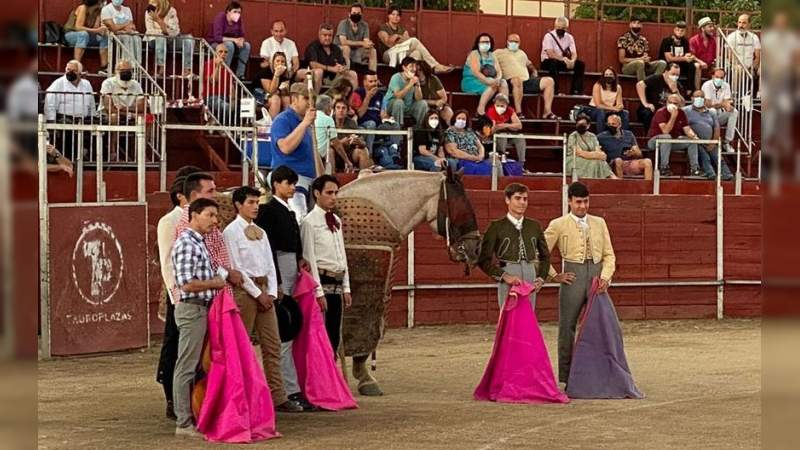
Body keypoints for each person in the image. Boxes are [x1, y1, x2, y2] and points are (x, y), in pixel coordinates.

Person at [223, 186, 304, 413]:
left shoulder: (261, 231)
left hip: (264, 293)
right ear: (238, 205)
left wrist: (270, 290)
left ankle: (278, 396)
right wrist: (259, 294)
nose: (255, 206)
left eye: (257, 202)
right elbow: (236, 268)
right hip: (245, 292)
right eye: (250, 202)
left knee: (272, 345)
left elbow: (270, 263)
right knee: (242, 347)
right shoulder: (230, 232)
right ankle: (242, 397)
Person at [255, 165, 316, 412]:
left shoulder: (287, 211)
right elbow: (268, 249)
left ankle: (288, 387)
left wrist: (300, 256)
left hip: (289, 267)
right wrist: (277, 282)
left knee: (288, 330)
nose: (293, 187)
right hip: (279, 269)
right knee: (284, 331)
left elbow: (291, 245)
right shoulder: (268, 211)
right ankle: (287, 389)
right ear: (276, 184)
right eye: (289, 183)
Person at [544, 181, 616, 387]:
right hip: (572, 277)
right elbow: (540, 254)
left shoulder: (599, 222)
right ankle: (566, 378)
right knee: (567, 328)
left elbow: (609, 254)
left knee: (600, 327)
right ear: (569, 201)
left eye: (585, 202)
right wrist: (554, 276)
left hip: (596, 276)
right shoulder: (558, 224)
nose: (582, 206)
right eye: (578, 202)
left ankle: (598, 374)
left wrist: (605, 277)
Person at [171, 197, 227, 438]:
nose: (215, 221)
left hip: (201, 308)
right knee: (187, 366)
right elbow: (186, 284)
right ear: (194, 215)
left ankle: (190, 417)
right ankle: (183, 423)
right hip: (193, 308)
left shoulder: (199, 242)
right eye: (210, 215)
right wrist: (215, 282)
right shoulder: (187, 243)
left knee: (192, 365)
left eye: (215, 216)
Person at [155, 165, 202, 421]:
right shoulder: (170, 221)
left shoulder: (201, 217)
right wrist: (177, 296)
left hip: (195, 292)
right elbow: (167, 262)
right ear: (182, 196)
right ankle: (172, 397)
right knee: (174, 344)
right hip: (181, 293)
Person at [301, 175, 353, 358]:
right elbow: (310, 258)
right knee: (323, 337)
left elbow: (342, 255)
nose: (333, 197)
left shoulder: (336, 220)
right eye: (329, 193)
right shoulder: (309, 222)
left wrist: (346, 287)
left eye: (336, 193)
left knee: (334, 335)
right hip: (322, 283)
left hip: (337, 283)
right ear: (317, 193)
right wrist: (318, 292)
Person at [477, 182, 550, 307]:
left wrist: (541, 277)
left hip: (529, 274)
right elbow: (483, 260)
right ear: (507, 200)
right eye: (517, 198)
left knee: (527, 318)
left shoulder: (534, 226)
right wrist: (504, 275)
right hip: (508, 273)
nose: (522, 202)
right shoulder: (496, 226)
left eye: (525, 199)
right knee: (508, 317)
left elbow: (545, 256)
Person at [270, 82, 320, 222]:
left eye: (312, 100)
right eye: (306, 98)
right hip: (292, 180)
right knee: (300, 218)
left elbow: (314, 154)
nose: (310, 103)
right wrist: (305, 123)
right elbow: (285, 147)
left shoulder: (306, 124)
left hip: (309, 180)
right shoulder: (282, 120)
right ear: (294, 98)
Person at [493, 33, 557, 119]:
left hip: (526, 81)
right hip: (510, 82)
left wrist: (534, 70)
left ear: (519, 43)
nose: (513, 43)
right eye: (511, 41)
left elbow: (529, 64)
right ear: (507, 42)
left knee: (549, 81)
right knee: (517, 80)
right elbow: (489, 61)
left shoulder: (522, 53)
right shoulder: (499, 52)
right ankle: (519, 112)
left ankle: (547, 112)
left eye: (516, 41)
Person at [377, 5, 452, 73]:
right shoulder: (383, 27)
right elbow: (389, 43)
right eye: (393, 14)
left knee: (417, 53)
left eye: (398, 15)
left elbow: (406, 42)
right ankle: (435, 66)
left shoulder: (402, 29)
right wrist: (397, 37)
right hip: (388, 56)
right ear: (388, 16)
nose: (395, 17)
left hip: (401, 53)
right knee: (414, 40)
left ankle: (409, 78)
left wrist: (398, 39)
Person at [646, 94, 702, 177]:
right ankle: (664, 168)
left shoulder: (681, 113)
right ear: (666, 103)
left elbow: (687, 129)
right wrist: (673, 117)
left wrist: (694, 136)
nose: (672, 105)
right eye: (670, 102)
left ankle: (694, 169)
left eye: (675, 103)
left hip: (670, 141)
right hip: (654, 141)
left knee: (692, 141)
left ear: (679, 105)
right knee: (667, 137)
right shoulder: (661, 112)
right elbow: (665, 131)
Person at [683, 90, 734, 180]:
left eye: (702, 97)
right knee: (704, 156)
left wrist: (713, 142)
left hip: (711, 141)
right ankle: (711, 174)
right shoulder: (685, 111)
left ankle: (727, 175)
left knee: (718, 156)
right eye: (697, 96)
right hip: (696, 141)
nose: (699, 99)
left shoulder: (712, 112)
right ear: (692, 98)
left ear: (705, 99)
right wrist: (695, 138)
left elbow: (716, 128)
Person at [462, 33, 509, 116]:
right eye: (482, 42)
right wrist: (488, 81)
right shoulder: (474, 53)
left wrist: (498, 79)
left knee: (503, 82)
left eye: (487, 42)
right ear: (478, 43)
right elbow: (476, 72)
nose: (485, 44)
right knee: (493, 85)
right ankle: (480, 110)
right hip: (472, 80)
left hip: (491, 80)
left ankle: (502, 108)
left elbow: (499, 71)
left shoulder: (492, 55)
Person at [304, 24, 358, 93]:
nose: (327, 38)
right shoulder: (313, 47)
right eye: (325, 35)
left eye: (330, 35)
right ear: (319, 35)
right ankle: (315, 100)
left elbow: (341, 63)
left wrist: (342, 68)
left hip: (334, 78)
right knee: (318, 72)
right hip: (318, 77)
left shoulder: (336, 49)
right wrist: (332, 69)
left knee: (353, 74)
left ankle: (353, 100)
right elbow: (313, 64)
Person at [596, 114, 653, 180]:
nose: (610, 126)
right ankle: (620, 186)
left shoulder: (629, 134)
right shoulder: (601, 136)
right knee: (618, 160)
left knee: (647, 161)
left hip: (629, 163)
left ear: (619, 125)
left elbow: (639, 154)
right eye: (609, 124)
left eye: (613, 124)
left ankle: (647, 188)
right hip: (613, 164)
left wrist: (633, 153)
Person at [350, 70, 393, 152]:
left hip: (377, 125)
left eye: (375, 81)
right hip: (362, 124)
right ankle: (369, 153)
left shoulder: (380, 95)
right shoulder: (357, 93)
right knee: (371, 124)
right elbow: (359, 114)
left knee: (395, 125)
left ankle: (394, 154)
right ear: (364, 82)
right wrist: (368, 97)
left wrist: (388, 118)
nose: (374, 83)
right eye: (371, 81)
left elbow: (383, 114)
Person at [540, 16, 585, 95]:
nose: (561, 29)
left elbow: (574, 53)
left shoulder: (569, 37)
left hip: (562, 61)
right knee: (553, 63)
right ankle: (555, 91)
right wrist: (564, 59)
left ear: (566, 28)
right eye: (559, 27)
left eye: (563, 28)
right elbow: (550, 54)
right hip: (548, 61)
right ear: (555, 26)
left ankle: (576, 91)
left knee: (580, 64)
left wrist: (572, 61)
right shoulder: (548, 36)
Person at [206, 1, 250, 79]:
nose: (237, 14)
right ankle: (225, 71)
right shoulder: (220, 17)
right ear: (228, 12)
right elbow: (217, 37)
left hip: (232, 44)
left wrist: (241, 41)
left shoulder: (239, 20)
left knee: (246, 46)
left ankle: (240, 74)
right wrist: (234, 40)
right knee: (229, 45)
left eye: (239, 12)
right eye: (235, 12)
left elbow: (242, 35)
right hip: (215, 43)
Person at [635, 62, 684, 131]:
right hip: (652, 109)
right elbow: (640, 85)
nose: (675, 77)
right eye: (673, 74)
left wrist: (675, 91)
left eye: (677, 75)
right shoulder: (656, 78)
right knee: (648, 113)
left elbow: (682, 104)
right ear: (666, 72)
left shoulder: (678, 85)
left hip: (667, 111)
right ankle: (650, 137)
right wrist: (645, 103)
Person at [566, 114, 616, 179]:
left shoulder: (592, 136)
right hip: (574, 159)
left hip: (590, 159)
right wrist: (596, 155)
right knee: (596, 162)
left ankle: (611, 179)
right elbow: (579, 153)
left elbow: (598, 151)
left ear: (588, 126)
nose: (580, 126)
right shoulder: (573, 136)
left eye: (583, 124)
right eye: (578, 124)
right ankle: (612, 178)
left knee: (599, 162)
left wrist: (597, 155)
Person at [62, 0, 108, 71]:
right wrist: (96, 31)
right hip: (71, 34)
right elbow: (78, 27)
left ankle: (104, 67)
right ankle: (76, 65)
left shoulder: (98, 11)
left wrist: (101, 28)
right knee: (83, 34)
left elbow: (96, 28)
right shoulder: (83, 8)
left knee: (104, 37)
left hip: (87, 35)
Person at [383, 56, 429, 127]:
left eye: (415, 67)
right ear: (404, 68)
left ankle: (417, 130)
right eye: (411, 66)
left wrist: (417, 86)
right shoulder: (396, 77)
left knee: (423, 104)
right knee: (399, 102)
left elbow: (419, 99)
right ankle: (397, 129)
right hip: (392, 105)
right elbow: (398, 96)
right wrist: (410, 84)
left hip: (408, 106)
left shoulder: (414, 78)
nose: (414, 69)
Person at [701, 67, 739, 151]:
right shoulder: (707, 85)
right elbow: (708, 105)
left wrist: (728, 106)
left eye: (721, 78)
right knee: (712, 110)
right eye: (717, 77)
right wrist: (723, 104)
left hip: (718, 117)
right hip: (706, 117)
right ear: (712, 76)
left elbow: (727, 103)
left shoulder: (726, 85)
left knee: (734, 112)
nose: (719, 79)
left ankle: (727, 142)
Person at [659, 21, 703, 91]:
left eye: (682, 31)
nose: (679, 32)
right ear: (674, 30)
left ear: (685, 32)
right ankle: (672, 89)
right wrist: (684, 58)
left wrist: (689, 57)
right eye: (678, 30)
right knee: (674, 66)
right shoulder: (667, 41)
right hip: (668, 64)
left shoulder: (685, 41)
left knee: (692, 65)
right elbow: (669, 58)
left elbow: (686, 54)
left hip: (681, 64)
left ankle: (690, 89)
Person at [486, 94, 527, 167]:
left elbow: (519, 126)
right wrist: (509, 126)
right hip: (496, 136)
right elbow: (492, 129)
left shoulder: (510, 110)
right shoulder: (491, 111)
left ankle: (521, 164)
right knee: (502, 136)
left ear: (506, 105)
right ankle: (502, 161)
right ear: (494, 104)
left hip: (509, 134)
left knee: (520, 137)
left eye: (502, 106)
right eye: (497, 105)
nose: (499, 107)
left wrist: (506, 125)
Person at [335, 3, 377, 72]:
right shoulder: (343, 23)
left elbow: (365, 41)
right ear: (349, 14)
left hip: (356, 51)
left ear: (361, 14)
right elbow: (343, 41)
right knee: (346, 47)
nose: (356, 15)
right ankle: (347, 73)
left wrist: (369, 44)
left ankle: (372, 75)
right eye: (354, 13)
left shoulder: (364, 25)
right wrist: (362, 43)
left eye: (358, 13)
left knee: (372, 51)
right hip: (341, 50)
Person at [100, 0, 142, 65]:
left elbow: (132, 27)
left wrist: (121, 27)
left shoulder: (127, 9)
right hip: (112, 35)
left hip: (125, 32)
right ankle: (126, 64)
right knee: (127, 38)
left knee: (137, 37)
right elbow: (113, 28)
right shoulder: (106, 9)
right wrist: (125, 25)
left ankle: (137, 65)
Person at [588, 67, 629, 133]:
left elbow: (620, 103)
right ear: (603, 76)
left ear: (614, 76)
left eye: (610, 74)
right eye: (606, 75)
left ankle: (624, 136)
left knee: (625, 113)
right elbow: (598, 105)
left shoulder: (618, 87)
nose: (608, 76)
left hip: (610, 110)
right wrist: (614, 109)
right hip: (595, 110)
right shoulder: (597, 85)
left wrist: (619, 107)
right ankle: (601, 137)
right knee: (601, 112)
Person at [203, 44, 237, 123]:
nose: (223, 54)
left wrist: (233, 100)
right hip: (211, 97)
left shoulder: (227, 68)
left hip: (225, 97)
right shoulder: (208, 64)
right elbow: (213, 81)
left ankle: (215, 123)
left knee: (239, 108)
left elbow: (231, 87)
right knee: (226, 107)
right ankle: (218, 125)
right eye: (220, 52)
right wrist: (218, 66)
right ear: (215, 53)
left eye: (225, 52)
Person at [251, 52, 291, 118]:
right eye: (277, 61)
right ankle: (272, 125)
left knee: (287, 99)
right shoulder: (265, 73)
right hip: (258, 96)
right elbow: (270, 91)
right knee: (276, 99)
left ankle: (285, 123)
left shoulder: (285, 75)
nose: (280, 63)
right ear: (272, 62)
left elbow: (285, 92)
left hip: (272, 96)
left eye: (282, 61)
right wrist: (276, 75)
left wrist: (282, 90)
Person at [417, 61, 454, 125]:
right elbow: (417, 100)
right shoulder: (413, 80)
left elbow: (444, 98)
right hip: (422, 106)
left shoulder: (433, 79)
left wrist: (440, 103)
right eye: (416, 70)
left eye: (420, 70)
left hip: (437, 105)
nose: (418, 72)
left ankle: (449, 130)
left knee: (448, 112)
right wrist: (434, 102)